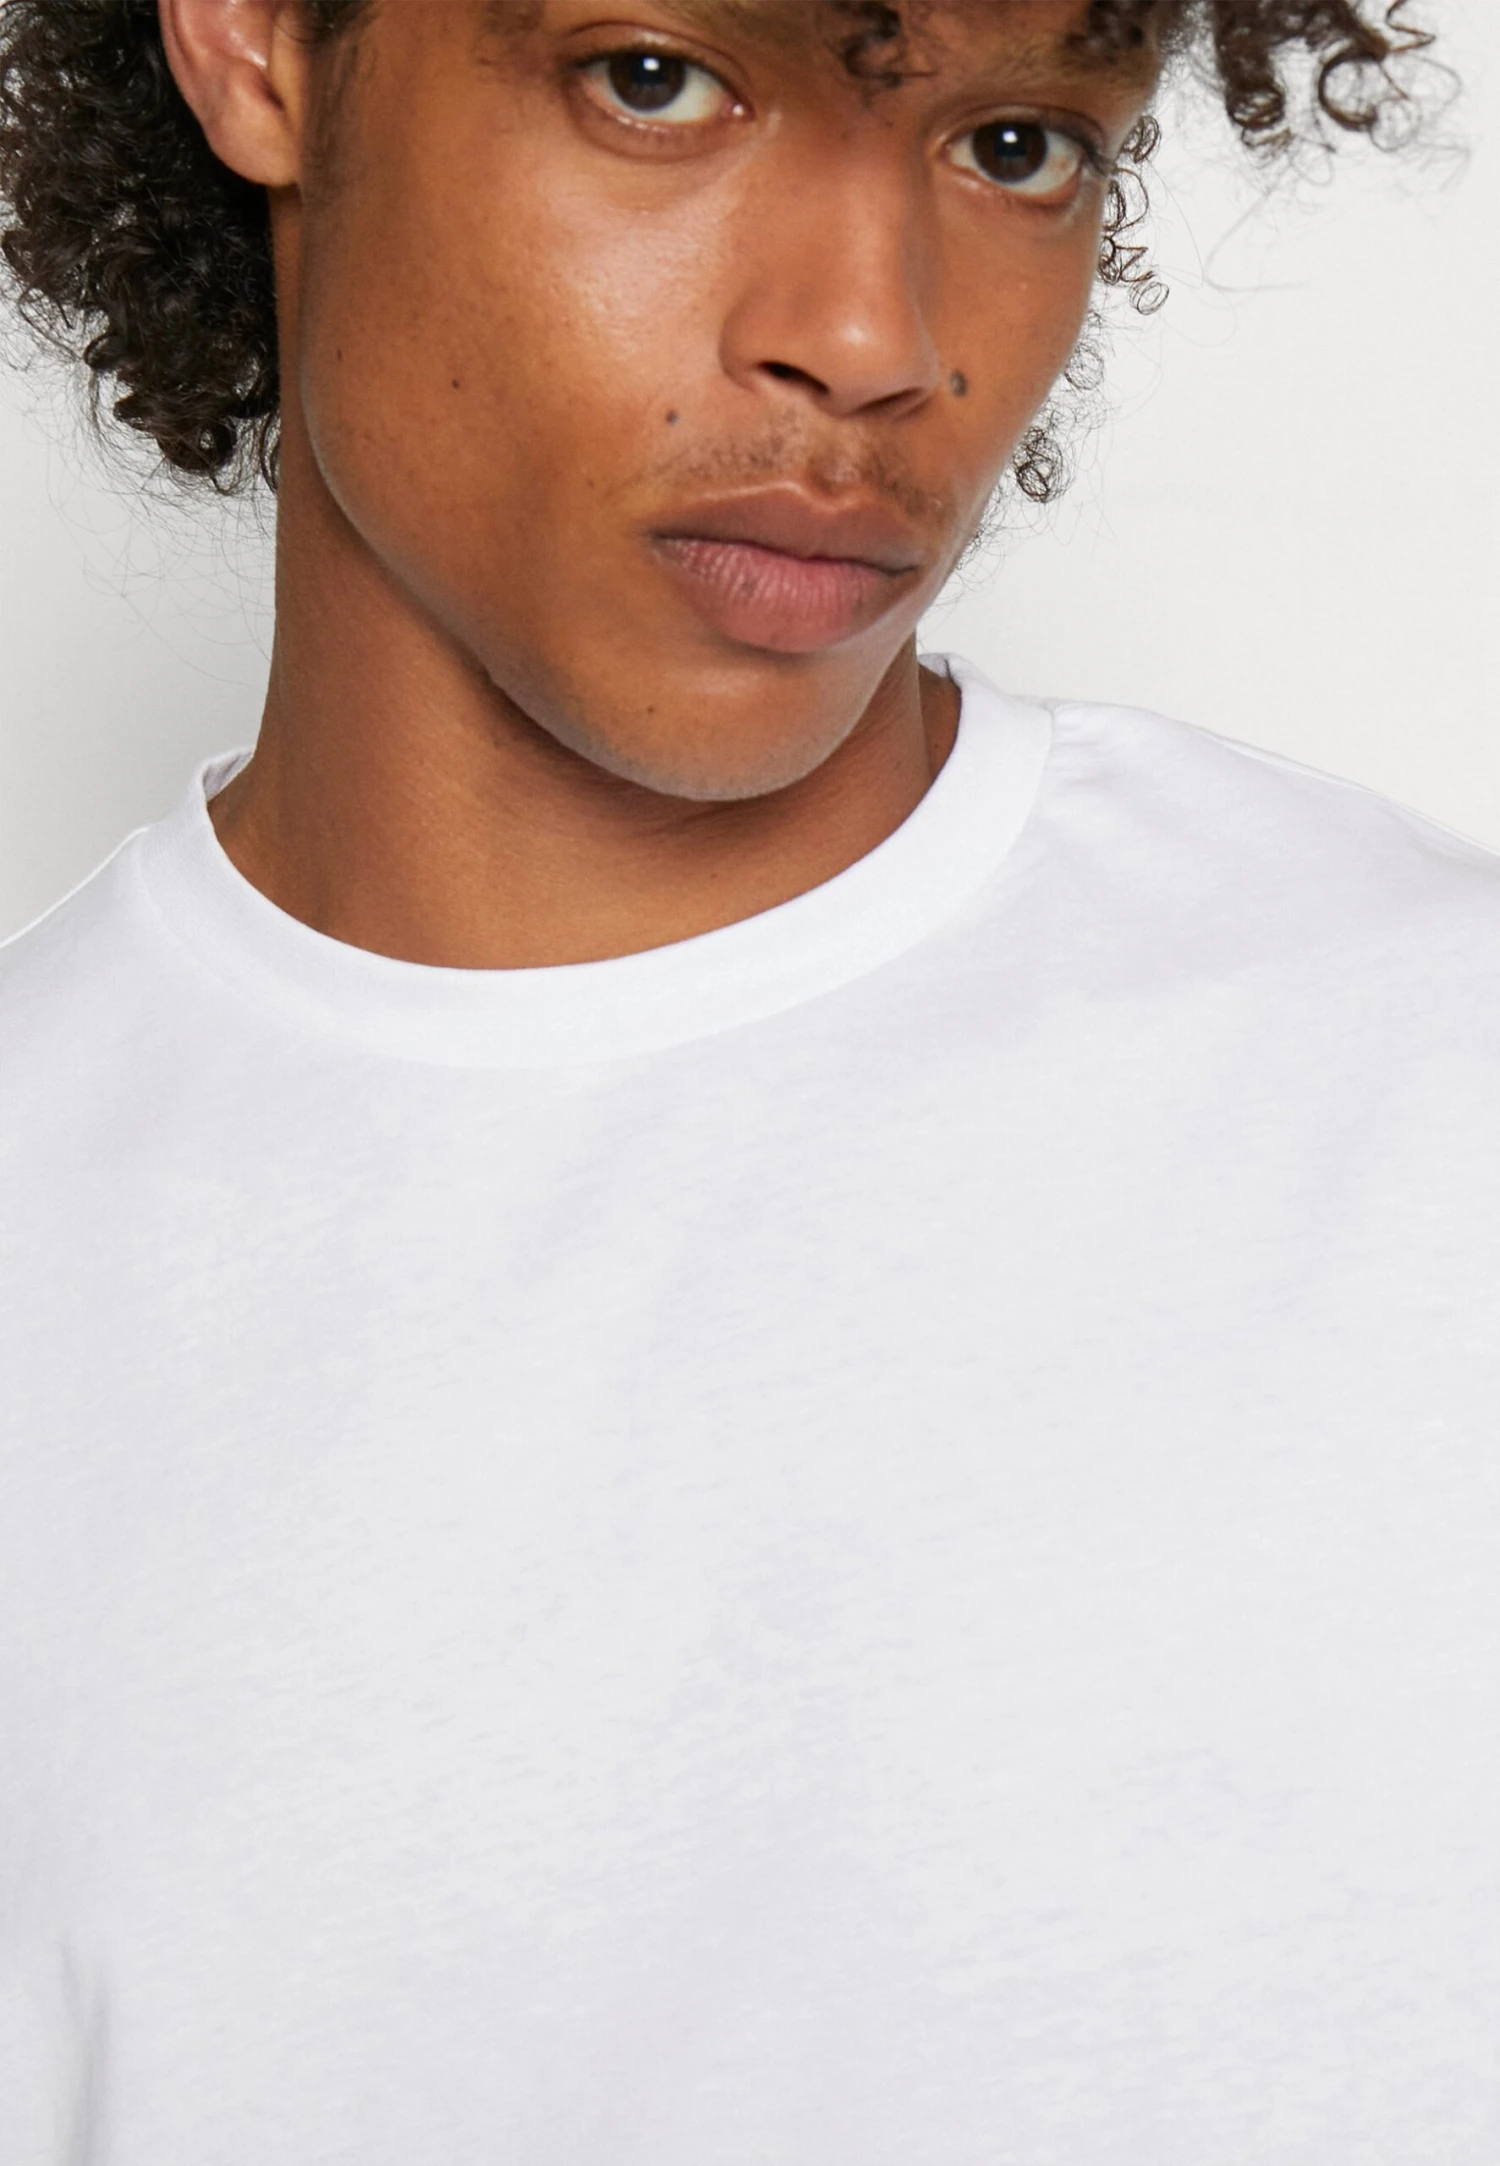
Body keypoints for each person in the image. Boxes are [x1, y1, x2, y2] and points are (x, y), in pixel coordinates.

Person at [0, 0, 1494, 2157]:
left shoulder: (1439, 1104)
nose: (873, 338)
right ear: (256, 47)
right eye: (655, 81)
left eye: (1016, 145)